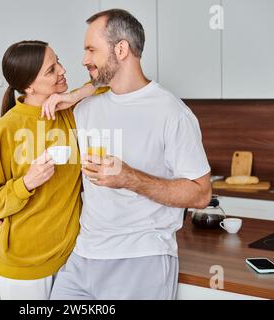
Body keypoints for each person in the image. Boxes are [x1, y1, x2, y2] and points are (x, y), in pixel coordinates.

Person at [49, 9, 212, 300]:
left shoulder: (172, 113)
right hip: (82, 258)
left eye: (91, 50)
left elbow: (200, 195)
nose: (84, 59)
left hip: (141, 258)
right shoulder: (85, 109)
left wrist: (129, 178)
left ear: (121, 49)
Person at [0, 40, 104, 300]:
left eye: (59, 62)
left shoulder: (69, 112)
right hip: (24, 267)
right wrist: (27, 183)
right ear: (29, 85)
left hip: (72, 259)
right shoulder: (6, 129)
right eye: (51, 70)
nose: (63, 70)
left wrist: (75, 95)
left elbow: (112, 83)